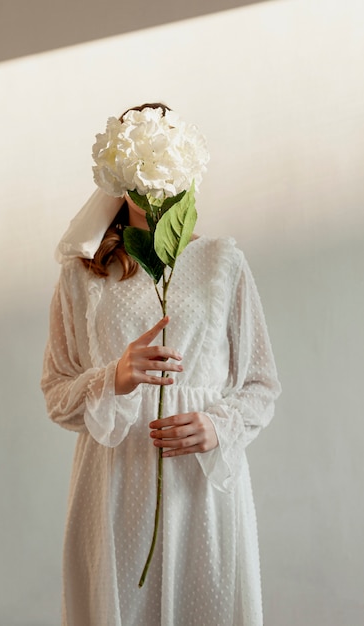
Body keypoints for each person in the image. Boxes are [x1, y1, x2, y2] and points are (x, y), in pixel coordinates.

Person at [41, 103, 281, 626]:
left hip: (201, 488)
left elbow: (262, 382)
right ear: (117, 178)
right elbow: (57, 392)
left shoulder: (223, 262)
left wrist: (218, 425)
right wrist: (114, 377)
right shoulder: (82, 277)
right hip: (114, 487)